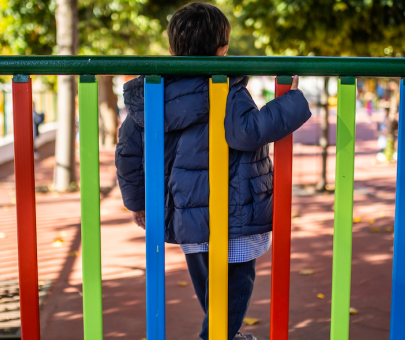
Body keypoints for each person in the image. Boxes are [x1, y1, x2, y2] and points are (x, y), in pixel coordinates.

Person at [115, 3, 312, 339]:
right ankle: (217, 336)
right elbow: (247, 132)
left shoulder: (153, 96)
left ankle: (222, 333)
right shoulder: (226, 89)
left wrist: (137, 202)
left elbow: (128, 153)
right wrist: (291, 100)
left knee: (209, 285)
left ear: (173, 49)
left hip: (187, 215)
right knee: (236, 285)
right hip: (233, 212)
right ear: (223, 51)